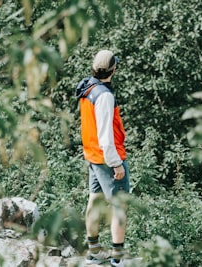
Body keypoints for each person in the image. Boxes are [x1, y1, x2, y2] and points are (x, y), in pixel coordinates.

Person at [75, 49, 130, 266]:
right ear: (113, 69)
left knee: (95, 201)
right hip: (107, 157)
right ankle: (118, 258)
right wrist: (116, 163)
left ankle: (94, 252)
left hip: (93, 155)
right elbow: (106, 136)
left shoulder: (88, 88)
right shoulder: (104, 95)